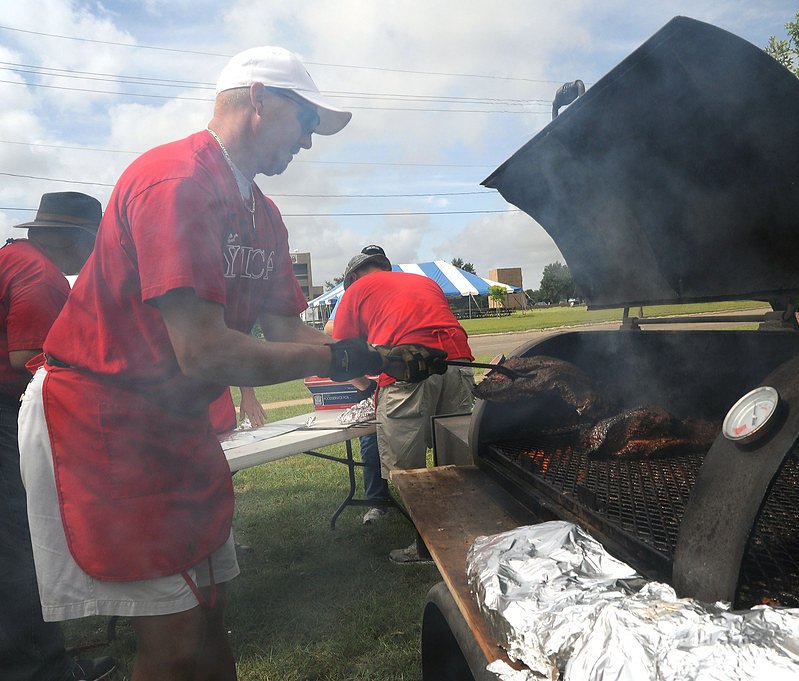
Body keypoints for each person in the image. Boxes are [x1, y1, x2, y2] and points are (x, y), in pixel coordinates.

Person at [17, 47, 444, 681]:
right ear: (258, 99)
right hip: (106, 419)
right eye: (304, 122)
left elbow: (286, 330)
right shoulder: (176, 182)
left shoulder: (263, 214)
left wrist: (380, 360)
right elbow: (204, 351)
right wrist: (346, 353)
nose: (307, 143)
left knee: (211, 611)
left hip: (173, 422)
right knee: (175, 634)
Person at [0, 192, 117, 680]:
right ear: (77, 238)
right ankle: (43, 671)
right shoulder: (41, 275)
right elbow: (26, 359)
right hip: (6, 414)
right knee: (19, 551)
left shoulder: (10, 257)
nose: (93, 258)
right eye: (94, 246)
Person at [331, 247, 475, 563]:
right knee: (457, 457)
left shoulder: (356, 290)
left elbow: (341, 356)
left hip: (410, 372)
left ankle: (427, 547)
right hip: (460, 362)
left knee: (406, 468)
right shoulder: (422, 282)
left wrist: (367, 387)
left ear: (353, 277)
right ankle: (470, 536)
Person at [324, 245, 391, 525]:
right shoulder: (352, 295)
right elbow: (330, 333)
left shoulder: (393, 287)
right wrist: (363, 383)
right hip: (372, 379)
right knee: (369, 439)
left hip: (397, 376)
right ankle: (377, 502)